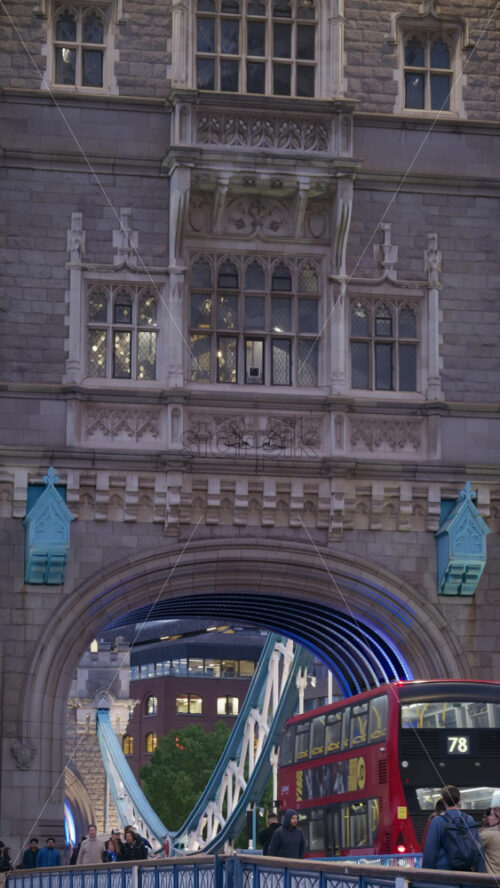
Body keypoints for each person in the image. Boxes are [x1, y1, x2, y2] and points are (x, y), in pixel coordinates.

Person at [422, 785, 485, 872]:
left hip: (445, 873)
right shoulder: (469, 819)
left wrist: (425, 874)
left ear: (443, 801)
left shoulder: (437, 821)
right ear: (459, 800)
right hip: (467, 872)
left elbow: (430, 851)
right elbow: (479, 847)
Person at [479, 791, 500, 874]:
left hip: (492, 879)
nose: (488, 818)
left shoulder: (488, 834)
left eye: (491, 815)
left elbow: (470, 846)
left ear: (498, 818)